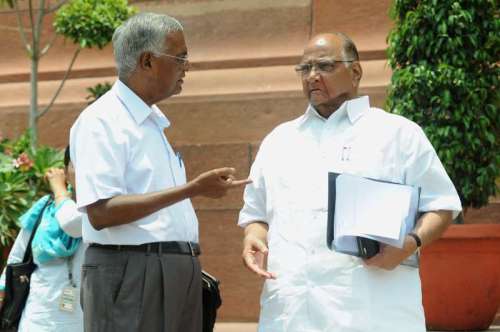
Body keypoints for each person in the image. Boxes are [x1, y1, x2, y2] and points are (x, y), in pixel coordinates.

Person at [238, 32, 462, 332]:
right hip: (292, 308)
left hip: (371, 307)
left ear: (355, 72)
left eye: (325, 66)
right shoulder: (279, 140)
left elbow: (442, 206)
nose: (312, 76)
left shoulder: (396, 133)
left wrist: (410, 244)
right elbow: (256, 215)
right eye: (304, 69)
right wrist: (253, 237)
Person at [69, 12, 250, 332]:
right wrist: (193, 189)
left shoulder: (150, 123)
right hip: (134, 273)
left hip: (172, 272)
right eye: (180, 57)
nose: (187, 67)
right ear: (148, 61)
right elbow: (101, 212)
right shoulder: (102, 121)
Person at [0, 147, 85, 332]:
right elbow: (18, 255)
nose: (84, 170)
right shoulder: (45, 207)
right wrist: (3, 291)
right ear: (66, 172)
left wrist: (60, 191)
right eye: (77, 164)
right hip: (37, 316)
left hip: (82, 319)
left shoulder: (103, 214)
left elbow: (73, 221)